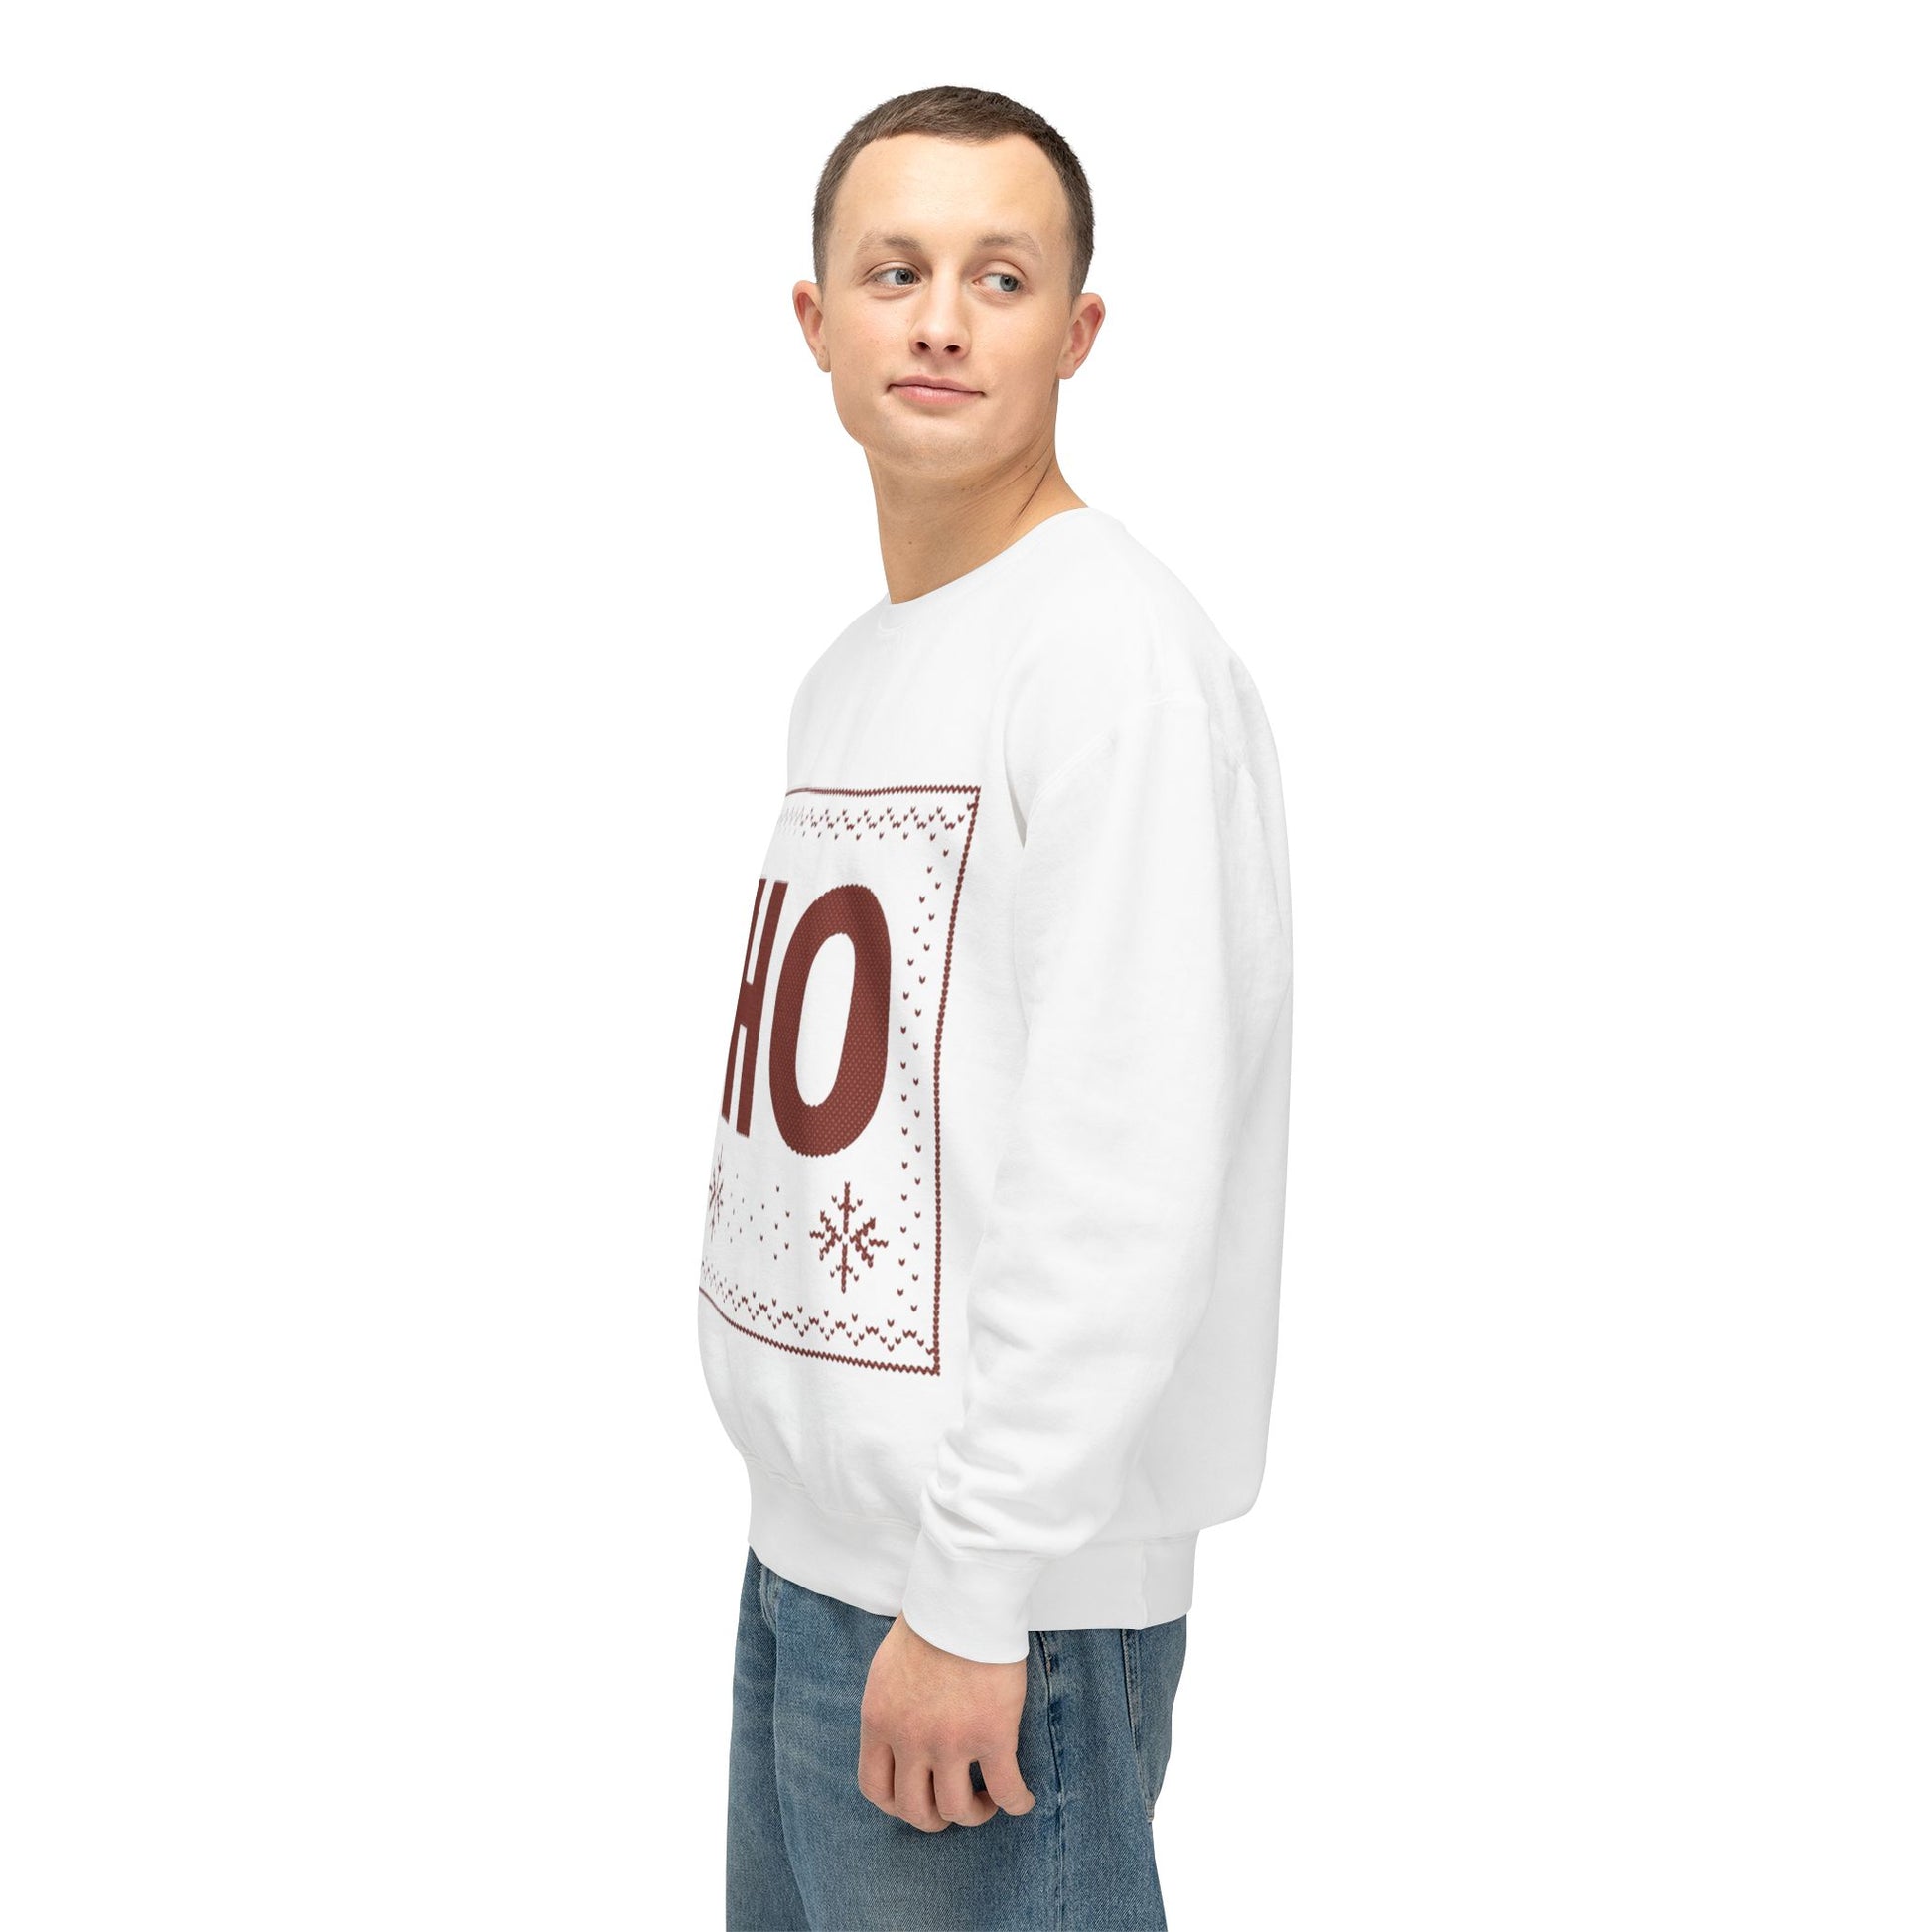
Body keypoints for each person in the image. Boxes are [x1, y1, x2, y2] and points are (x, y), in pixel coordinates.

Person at [696, 83, 1294, 1931]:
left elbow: (1123, 1174)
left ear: (1076, 330)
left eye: (1000, 276)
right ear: (816, 321)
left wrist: (973, 1591)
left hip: (991, 1612)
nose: (942, 320)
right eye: (895, 272)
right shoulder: (855, 672)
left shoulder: (1110, 661)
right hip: (821, 1570)